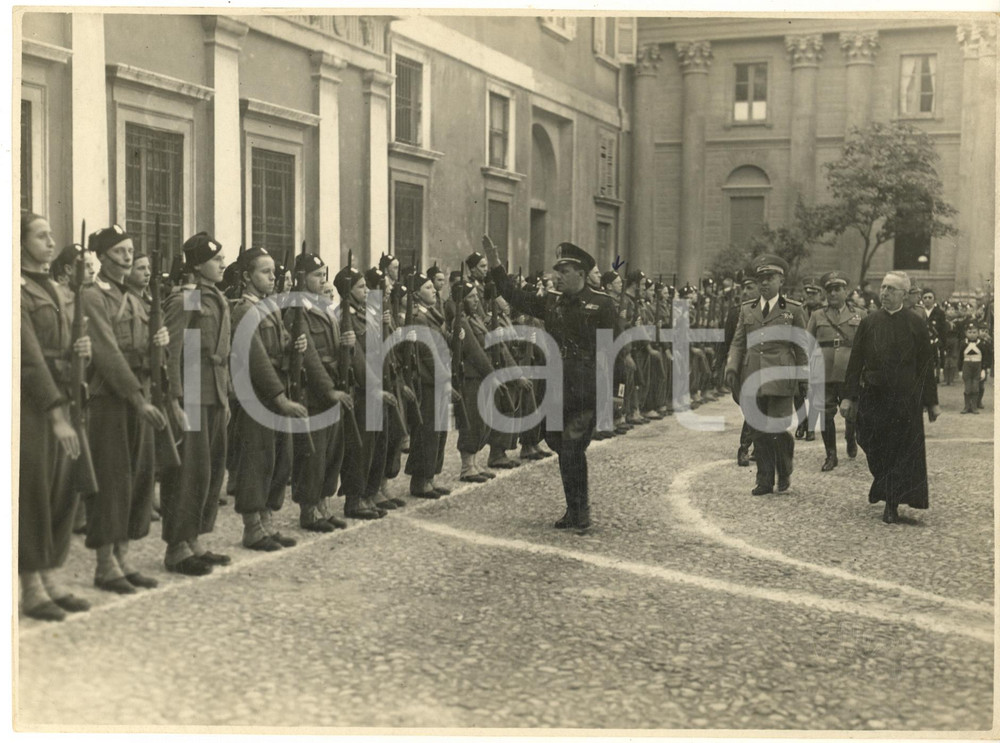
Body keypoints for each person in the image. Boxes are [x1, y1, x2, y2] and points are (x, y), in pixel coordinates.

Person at [483, 237, 616, 531]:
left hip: (585, 389)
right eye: (557, 270)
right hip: (556, 388)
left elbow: (613, 353)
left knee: (570, 447)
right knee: (557, 442)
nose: (558, 275)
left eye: (564, 271)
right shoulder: (553, 302)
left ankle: (580, 510)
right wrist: (494, 263)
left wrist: (611, 396)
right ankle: (573, 508)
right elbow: (514, 296)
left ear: (580, 273)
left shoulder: (602, 305)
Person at [80, 225, 169, 592]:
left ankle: (123, 558)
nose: (128, 256)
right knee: (112, 479)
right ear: (101, 257)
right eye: (119, 251)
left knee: (138, 477)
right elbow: (106, 352)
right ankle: (105, 565)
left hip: (139, 393)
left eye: (131, 250)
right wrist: (137, 398)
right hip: (111, 398)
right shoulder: (92, 295)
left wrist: (159, 343)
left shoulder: (134, 295)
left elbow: (144, 347)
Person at [19, 212, 93, 620]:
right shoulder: (17, 290)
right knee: (34, 492)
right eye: (41, 236)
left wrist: (80, 349)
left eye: (51, 235)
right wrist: (55, 415)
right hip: (34, 407)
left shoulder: (61, 290)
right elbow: (28, 360)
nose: (51, 242)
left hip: (66, 396)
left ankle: (50, 576)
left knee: (62, 490)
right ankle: (30, 584)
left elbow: (67, 346)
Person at [158, 233, 233, 576]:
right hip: (191, 395)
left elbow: (223, 352)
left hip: (214, 394)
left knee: (209, 471)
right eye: (216, 260)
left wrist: (225, 395)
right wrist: (173, 399)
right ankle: (176, 547)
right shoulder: (186, 298)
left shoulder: (217, 297)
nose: (221, 264)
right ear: (199, 264)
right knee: (188, 472)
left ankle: (195, 540)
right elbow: (172, 352)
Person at [841, 271, 941, 524]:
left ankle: (892, 502)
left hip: (905, 400)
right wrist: (849, 397)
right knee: (872, 443)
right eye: (883, 288)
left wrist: (931, 402)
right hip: (874, 395)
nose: (884, 293)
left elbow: (925, 365)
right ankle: (884, 487)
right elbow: (855, 362)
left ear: (904, 295)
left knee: (898, 450)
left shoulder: (916, 323)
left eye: (891, 289)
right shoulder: (869, 322)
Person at [228, 247, 308, 550]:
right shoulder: (244, 311)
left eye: (274, 271)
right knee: (257, 460)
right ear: (247, 277)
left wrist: (293, 346)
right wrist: (280, 398)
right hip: (257, 397)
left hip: (275, 394)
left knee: (278, 459)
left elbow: (279, 347)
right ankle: (252, 528)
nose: (273, 277)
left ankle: (267, 522)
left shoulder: (269, 308)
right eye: (265, 272)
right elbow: (257, 360)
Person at [725, 254, 808, 496]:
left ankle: (784, 469)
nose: (764, 283)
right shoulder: (747, 310)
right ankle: (764, 479)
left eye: (769, 278)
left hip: (782, 376)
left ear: (781, 281)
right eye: (760, 278)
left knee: (778, 429)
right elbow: (738, 342)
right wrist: (732, 367)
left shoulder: (793, 310)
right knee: (759, 431)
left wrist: (804, 377)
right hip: (752, 376)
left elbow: (801, 346)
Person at [286, 251, 355, 530]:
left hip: (333, 384)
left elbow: (332, 347)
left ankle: (323, 505)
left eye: (323, 274)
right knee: (312, 455)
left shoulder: (323, 308)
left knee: (331, 451)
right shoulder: (296, 310)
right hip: (314, 392)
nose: (322, 280)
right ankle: (309, 510)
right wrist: (328, 390)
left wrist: (346, 343)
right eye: (317, 275)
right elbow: (310, 356)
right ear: (302, 278)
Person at [805, 270, 866, 471]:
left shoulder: (859, 314)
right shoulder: (817, 315)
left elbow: (866, 345)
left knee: (853, 413)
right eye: (829, 290)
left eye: (837, 289)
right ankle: (831, 454)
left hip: (850, 372)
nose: (833, 294)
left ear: (846, 291)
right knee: (825, 414)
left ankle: (850, 437)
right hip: (825, 372)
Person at [404, 270, 456, 498]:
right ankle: (420, 480)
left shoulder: (432, 314)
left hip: (439, 376)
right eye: (427, 287)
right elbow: (428, 354)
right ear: (415, 294)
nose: (434, 289)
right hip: (428, 380)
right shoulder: (418, 317)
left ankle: (430, 476)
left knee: (439, 431)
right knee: (428, 431)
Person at [724, 275, 759, 467]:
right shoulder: (736, 312)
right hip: (741, 366)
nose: (745, 292)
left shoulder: (767, 312)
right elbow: (728, 341)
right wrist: (723, 364)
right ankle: (754, 444)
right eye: (744, 288)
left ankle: (745, 448)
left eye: (750, 287)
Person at [795, 277, 826, 441]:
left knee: (814, 392)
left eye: (814, 293)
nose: (811, 296)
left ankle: (811, 427)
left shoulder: (825, 312)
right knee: (797, 392)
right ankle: (802, 421)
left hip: (817, 356)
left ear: (821, 294)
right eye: (808, 292)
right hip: (799, 356)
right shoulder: (798, 310)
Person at [957, 323, 992, 414]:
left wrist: (984, 369)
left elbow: (985, 357)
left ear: (977, 333)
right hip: (966, 367)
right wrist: (960, 370)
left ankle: (974, 406)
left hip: (977, 368)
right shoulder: (963, 344)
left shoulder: (981, 344)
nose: (972, 334)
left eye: (974, 332)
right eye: (969, 332)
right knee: (967, 387)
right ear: (965, 333)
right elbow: (960, 357)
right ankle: (966, 406)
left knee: (976, 387)